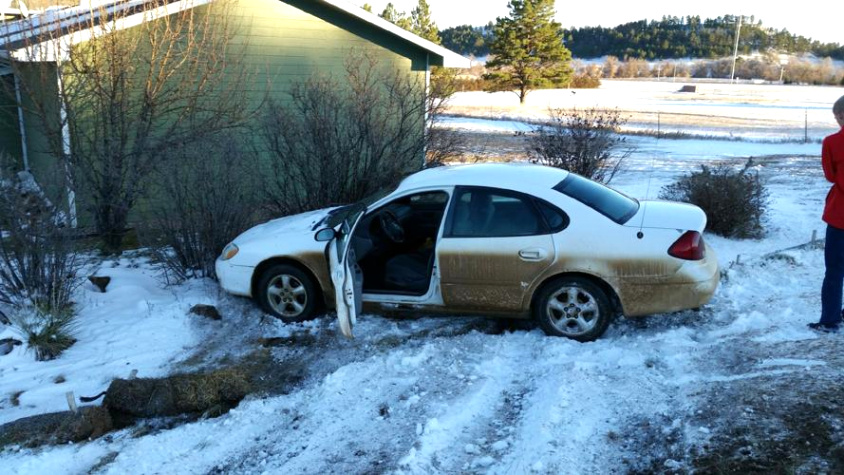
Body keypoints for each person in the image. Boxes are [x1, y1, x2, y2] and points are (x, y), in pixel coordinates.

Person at [809, 95, 844, 333]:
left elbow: (830, 176)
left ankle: (830, 319)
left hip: (839, 214)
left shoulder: (831, 142)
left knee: (834, 269)